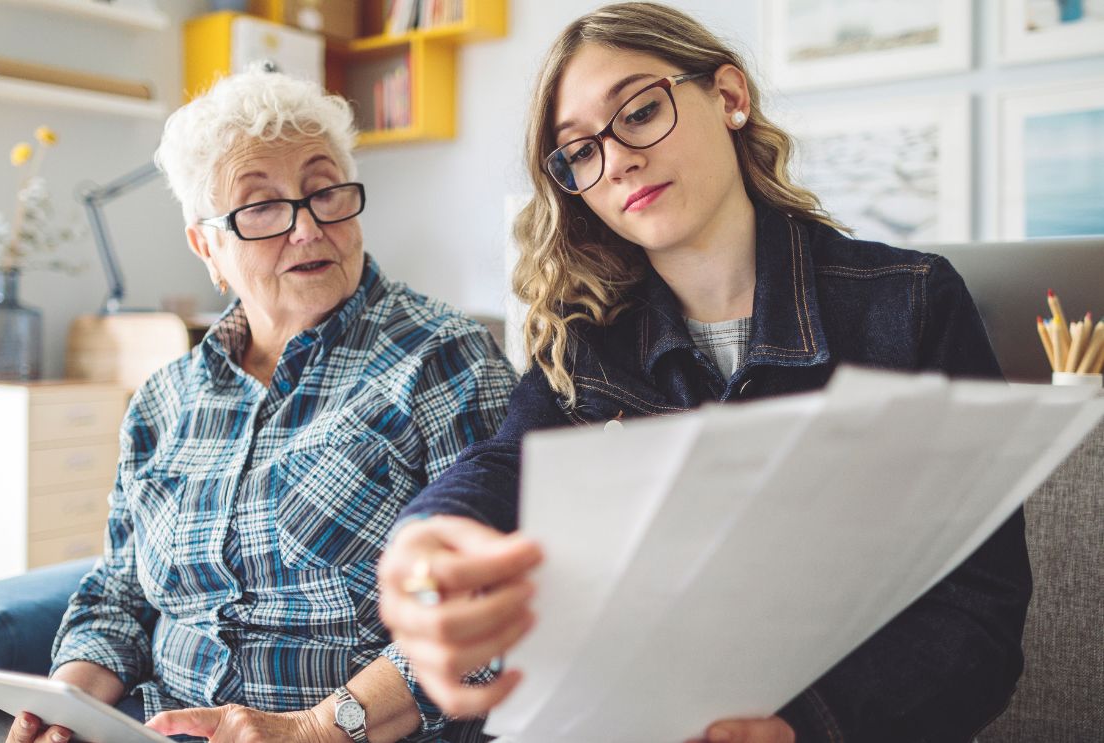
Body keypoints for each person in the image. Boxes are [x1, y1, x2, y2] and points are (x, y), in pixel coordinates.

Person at [375, 4, 1032, 743]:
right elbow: (506, 465)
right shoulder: (588, 341)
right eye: (580, 152)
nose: (617, 160)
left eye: (639, 112)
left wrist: (801, 726)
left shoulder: (909, 303)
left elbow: (979, 614)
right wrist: (427, 537)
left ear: (728, 97)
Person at [0, 65, 517, 743]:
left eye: (324, 191)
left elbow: (487, 611)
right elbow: (118, 594)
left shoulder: (442, 359)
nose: (307, 228)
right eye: (261, 206)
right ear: (206, 245)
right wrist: (63, 708)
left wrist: (315, 728)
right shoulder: (163, 400)